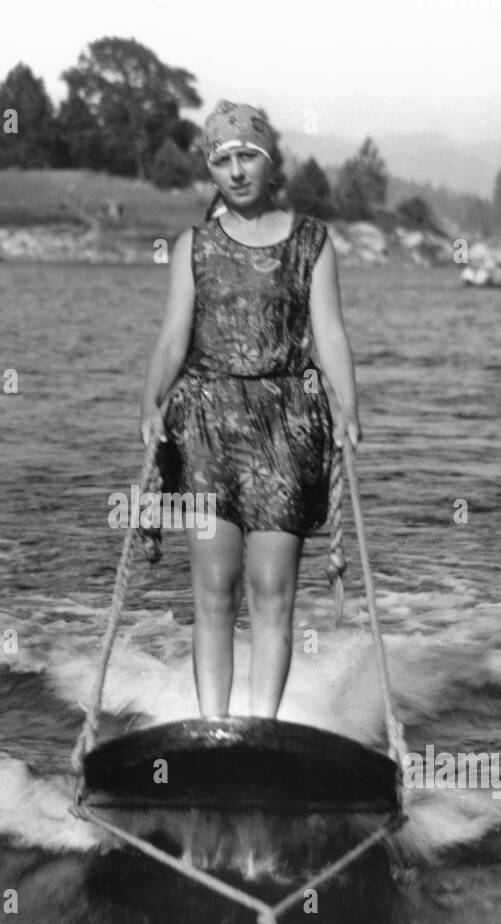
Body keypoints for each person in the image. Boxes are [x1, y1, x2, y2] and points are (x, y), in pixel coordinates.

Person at [138, 99, 362, 720]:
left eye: (247, 157)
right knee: (214, 591)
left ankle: (261, 730)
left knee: (272, 593)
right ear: (210, 170)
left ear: (269, 162)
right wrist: (150, 403)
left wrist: (347, 408)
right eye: (222, 160)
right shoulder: (194, 247)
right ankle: (214, 728)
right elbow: (170, 340)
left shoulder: (312, 242)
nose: (236, 171)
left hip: (287, 428)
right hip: (205, 428)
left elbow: (332, 336)